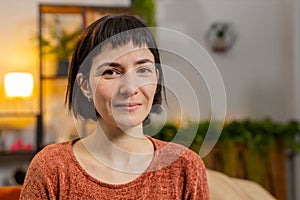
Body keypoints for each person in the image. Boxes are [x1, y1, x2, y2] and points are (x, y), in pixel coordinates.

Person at [20, 14, 209, 199]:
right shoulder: (51, 168)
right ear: (85, 86)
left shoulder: (186, 168)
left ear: (156, 78)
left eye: (143, 70)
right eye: (110, 72)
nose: (130, 88)